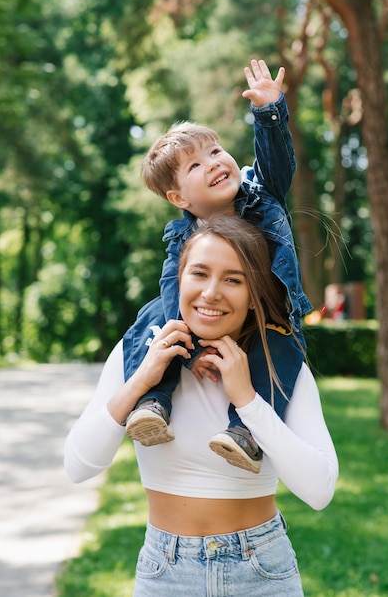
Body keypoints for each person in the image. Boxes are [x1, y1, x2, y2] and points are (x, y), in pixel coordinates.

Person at [65, 216, 339, 597]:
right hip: (166, 571)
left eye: (233, 279)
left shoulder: (280, 370)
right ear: (178, 280)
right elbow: (78, 466)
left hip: (260, 571)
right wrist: (142, 381)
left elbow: (319, 489)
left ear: (253, 294)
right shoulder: (139, 355)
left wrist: (247, 400)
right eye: (199, 273)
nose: (211, 293)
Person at [124, 59, 312, 473]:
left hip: (265, 316)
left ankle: (244, 433)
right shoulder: (182, 238)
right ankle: (152, 401)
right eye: (195, 165)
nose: (213, 162)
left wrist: (269, 112)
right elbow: (176, 294)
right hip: (206, 321)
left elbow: (278, 163)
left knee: (281, 348)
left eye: (214, 151)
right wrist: (190, 353)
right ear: (179, 199)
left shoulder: (262, 196)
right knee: (153, 317)